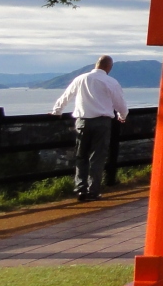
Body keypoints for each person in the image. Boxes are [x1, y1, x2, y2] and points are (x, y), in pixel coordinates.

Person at [51, 55, 128, 202]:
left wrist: (57, 111)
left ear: (96, 64)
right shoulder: (110, 82)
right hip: (102, 123)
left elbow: (67, 95)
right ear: (108, 67)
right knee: (97, 157)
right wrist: (122, 116)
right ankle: (93, 191)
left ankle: (80, 189)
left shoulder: (81, 79)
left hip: (83, 121)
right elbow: (120, 103)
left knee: (81, 156)